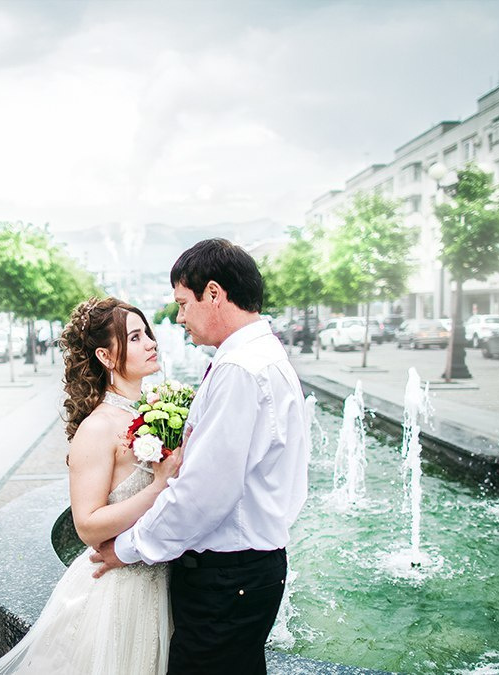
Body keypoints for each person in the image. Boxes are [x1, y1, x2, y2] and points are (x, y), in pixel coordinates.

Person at [91, 238, 311, 675]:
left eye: (183, 303)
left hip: (228, 578)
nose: (179, 318)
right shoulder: (258, 356)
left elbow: (204, 494)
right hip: (248, 572)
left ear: (213, 293)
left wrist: (129, 548)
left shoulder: (240, 370)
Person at [0, 296, 183, 675]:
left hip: (161, 579)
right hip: (120, 592)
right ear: (106, 357)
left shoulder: (153, 411)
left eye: (148, 335)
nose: (152, 343)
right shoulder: (98, 427)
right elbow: (87, 525)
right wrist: (158, 487)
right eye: (136, 337)